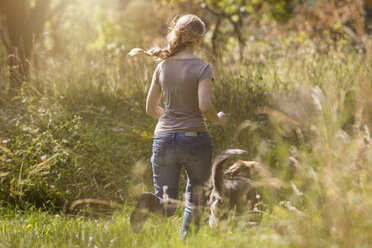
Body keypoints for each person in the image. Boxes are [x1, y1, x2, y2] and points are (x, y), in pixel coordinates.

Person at [128, 14, 227, 238]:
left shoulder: (162, 67)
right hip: (195, 140)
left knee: (167, 204)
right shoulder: (202, 68)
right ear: (199, 38)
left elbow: (150, 109)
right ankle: (187, 243)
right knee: (196, 199)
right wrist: (218, 119)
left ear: (178, 34)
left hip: (163, 140)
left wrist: (171, 120)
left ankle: (150, 203)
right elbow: (204, 106)